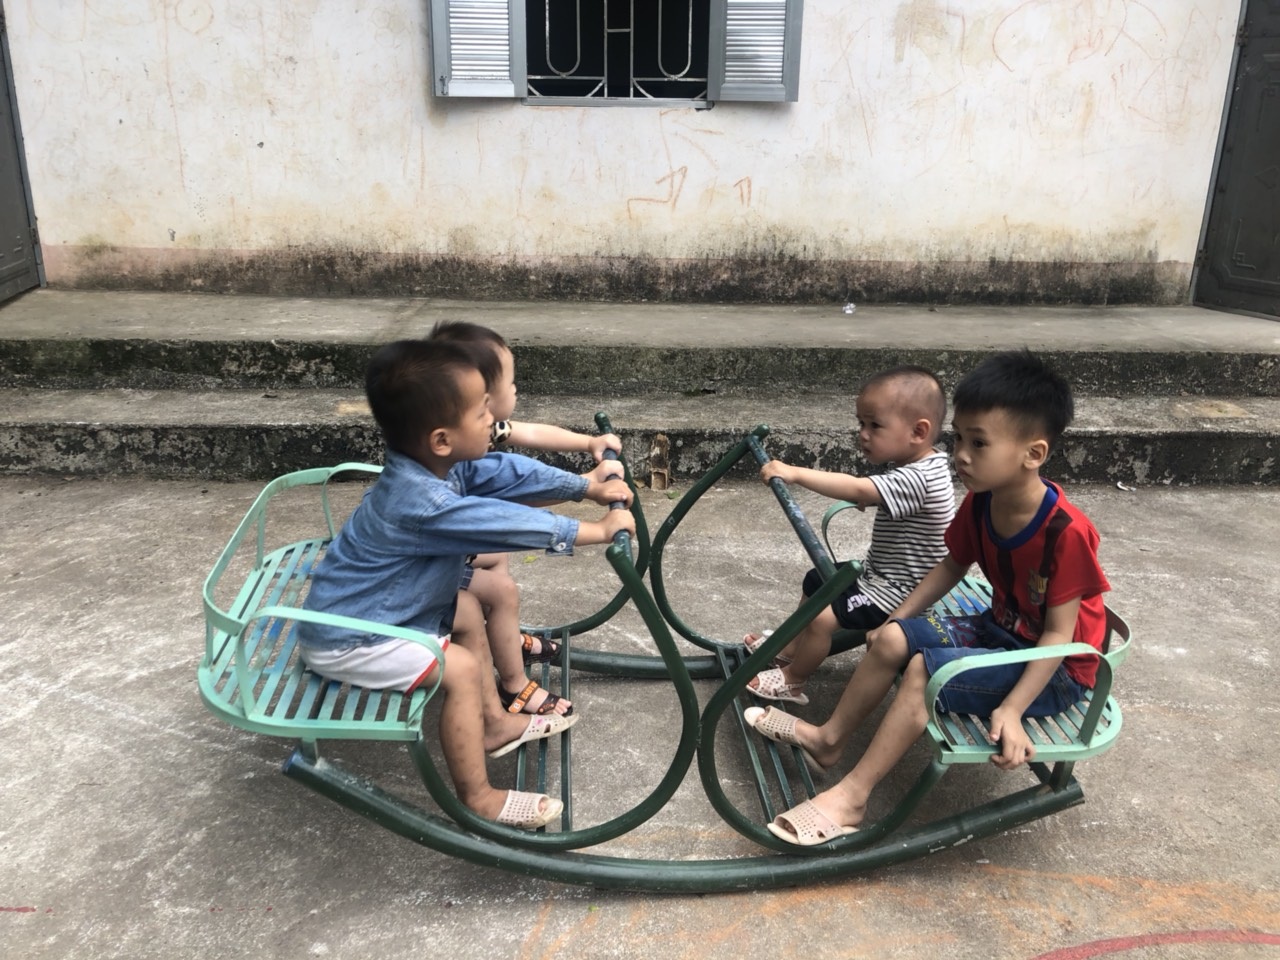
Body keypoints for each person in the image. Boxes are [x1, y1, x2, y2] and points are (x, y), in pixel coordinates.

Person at [745, 349, 1111, 845]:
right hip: (1001, 631)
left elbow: (1058, 636)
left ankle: (853, 798)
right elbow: (951, 565)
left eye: (979, 443)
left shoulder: (1064, 534)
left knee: (924, 672)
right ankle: (828, 740)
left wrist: (1011, 710)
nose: (961, 454)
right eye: (959, 438)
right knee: (893, 640)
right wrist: (894, 620)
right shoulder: (982, 502)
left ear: (1033, 454)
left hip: (1057, 668)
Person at [297, 338, 636, 830]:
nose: (492, 420)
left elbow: (508, 474)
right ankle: (479, 798)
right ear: (441, 438)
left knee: (473, 605)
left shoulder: (442, 464)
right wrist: (594, 531)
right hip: (349, 636)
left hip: (387, 604)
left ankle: (494, 725)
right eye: (481, 413)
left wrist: (584, 487)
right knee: (456, 668)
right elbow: (502, 523)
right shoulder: (421, 500)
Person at [427, 320, 622, 717]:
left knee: (497, 562)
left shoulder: (469, 433)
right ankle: (513, 684)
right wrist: (594, 525)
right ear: (480, 397)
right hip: (432, 562)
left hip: (443, 549)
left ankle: (505, 639)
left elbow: (525, 446)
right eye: (510, 383)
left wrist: (588, 449)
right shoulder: (442, 471)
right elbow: (502, 516)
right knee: (501, 591)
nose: (516, 390)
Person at [742, 366, 956, 705]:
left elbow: (858, 487)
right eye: (861, 424)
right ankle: (789, 649)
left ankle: (793, 680)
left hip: (898, 592)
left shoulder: (920, 477)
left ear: (918, 431)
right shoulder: (918, 466)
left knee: (824, 619)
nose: (863, 435)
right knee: (817, 580)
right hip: (879, 575)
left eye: (874, 425)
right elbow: (880, 496)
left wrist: (793, 472)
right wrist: (873, 498)